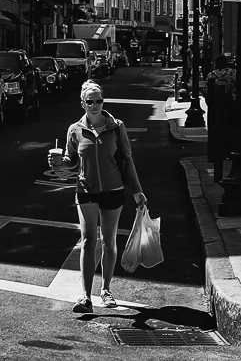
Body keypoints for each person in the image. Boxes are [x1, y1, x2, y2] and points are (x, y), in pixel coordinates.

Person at [47, 81, 146, 313]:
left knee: (108, 241)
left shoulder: (116, 127)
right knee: (89, 241)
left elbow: (127, 159)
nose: (94, 105)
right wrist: (59, 163)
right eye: (89, 101)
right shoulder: (75, 130)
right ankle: (85, 297)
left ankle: (106, 290)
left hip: (113, 190)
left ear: (103, 101)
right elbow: (72, 160)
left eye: (98, 100)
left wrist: (137, 190)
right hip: (86, 190)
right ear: (82, 103)